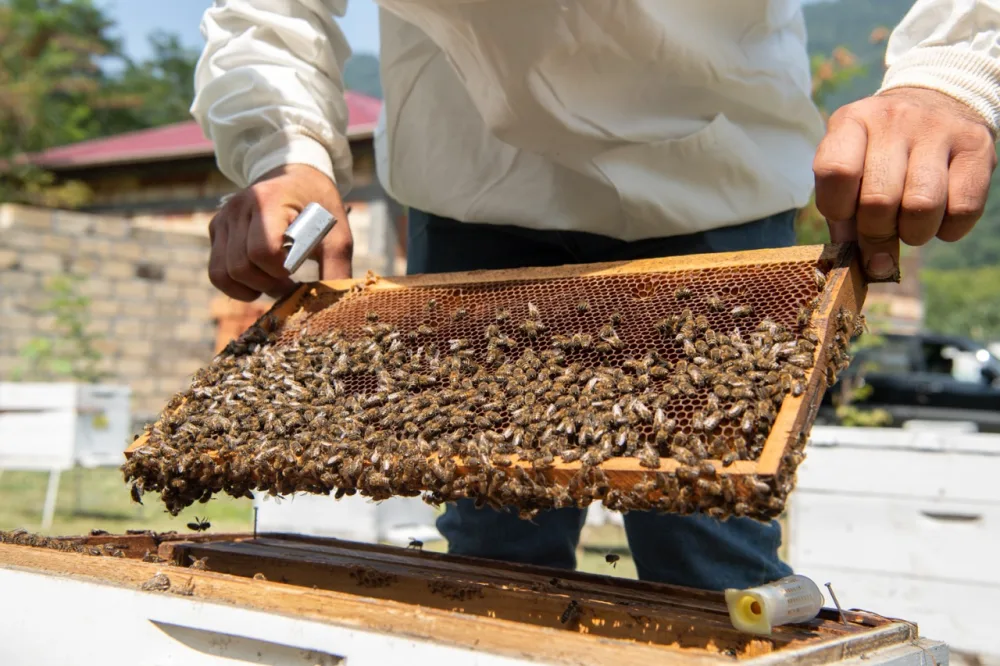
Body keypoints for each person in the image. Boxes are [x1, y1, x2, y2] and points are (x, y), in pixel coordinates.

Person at [192, 0, 998, 590]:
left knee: (711, 554)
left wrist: (948, 70)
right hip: (475, 189)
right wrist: (285, 148)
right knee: (490, 556)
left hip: (712, 180)